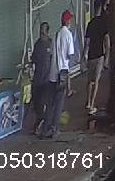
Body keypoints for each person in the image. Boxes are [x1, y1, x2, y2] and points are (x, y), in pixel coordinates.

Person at [41, 10, 77, 139]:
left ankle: (45, 129)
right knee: (59, 103)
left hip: (52, 73)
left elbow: (52, 54)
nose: (71, 22)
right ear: (67, 21)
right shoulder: (68, 35)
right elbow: (70, 55)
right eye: (70, 19)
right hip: (62, 74)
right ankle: (54, 129)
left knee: (50, 104)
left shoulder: (56, 34)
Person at [86, 0, 109, 115]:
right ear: (100, 8)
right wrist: (107, 58)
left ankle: (88, 102)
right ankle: (92, 104)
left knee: (90, 81)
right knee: (96, 80)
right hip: (99, 55)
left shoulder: (90, 23)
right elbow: (107, 42)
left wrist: (84, 55)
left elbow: (87, 42)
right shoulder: (103, 23)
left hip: (91, 55)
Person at [30, 22, 54, 134]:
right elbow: (33, 59)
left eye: (43, 33)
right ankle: (41, 120)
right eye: (40, 32)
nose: (41, 34)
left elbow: (54, 59)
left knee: (43, 102)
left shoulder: (51, 43)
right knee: (36, 103)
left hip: (47, 79)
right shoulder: (37, 44)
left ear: (47, 32)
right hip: (37, 78)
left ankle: (44, 124)